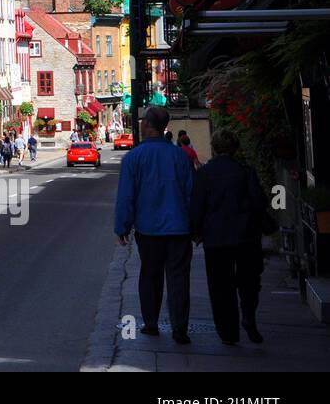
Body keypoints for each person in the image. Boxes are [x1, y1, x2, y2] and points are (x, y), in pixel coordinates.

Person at [114, 106, 195, 344]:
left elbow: (126, 196)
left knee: (150, 275)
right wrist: (194, 224)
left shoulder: (134, 158)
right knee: (179, 278)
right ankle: (180, 327)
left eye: (142, 121)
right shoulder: (180, 156)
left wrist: (122, 226)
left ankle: (151, 323)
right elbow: (191, 193)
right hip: (179, 227)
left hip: (149, 229)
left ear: (148, 125)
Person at [190, 129, 269, 345]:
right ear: (235, 148)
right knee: (249, 281)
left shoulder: (204, 174)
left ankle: (228, 332)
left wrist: (195, 231)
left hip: (216, 239)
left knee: (220, 286)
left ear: (214, 148)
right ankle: (248, 315)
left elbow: (197, 206)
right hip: (246, 236)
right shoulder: (246, 171)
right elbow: (258, 202)